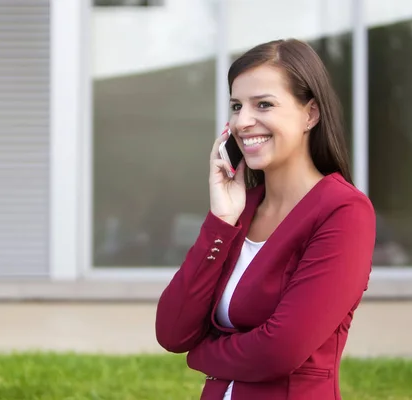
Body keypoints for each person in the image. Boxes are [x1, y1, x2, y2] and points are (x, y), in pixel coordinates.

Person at [155, 38, 376, 400]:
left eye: (264, 105)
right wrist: (221, 222)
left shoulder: (344, 212)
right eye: (236, 105)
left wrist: (203, 354)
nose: (243, 121)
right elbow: (172, 330)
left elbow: (281, 349)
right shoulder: (240, 211)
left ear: (311, 114)